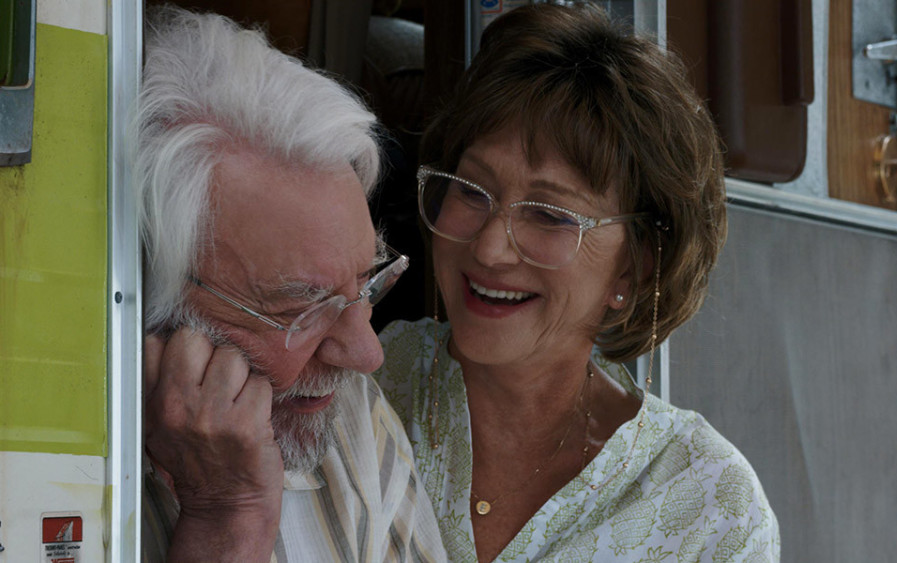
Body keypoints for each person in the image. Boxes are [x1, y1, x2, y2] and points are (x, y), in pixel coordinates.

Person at [374, 4, 780, 561]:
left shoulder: (707, 505)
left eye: (550, 215)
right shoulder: (360, 385)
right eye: (471, 190)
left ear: (636, 265)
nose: (489, 248)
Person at [136, 7, 444, 562]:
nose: (367, 355)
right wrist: (231, 519)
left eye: (366, 283)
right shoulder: (47, 473)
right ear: (147, 294)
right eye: (302, 309)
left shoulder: (349, 416)